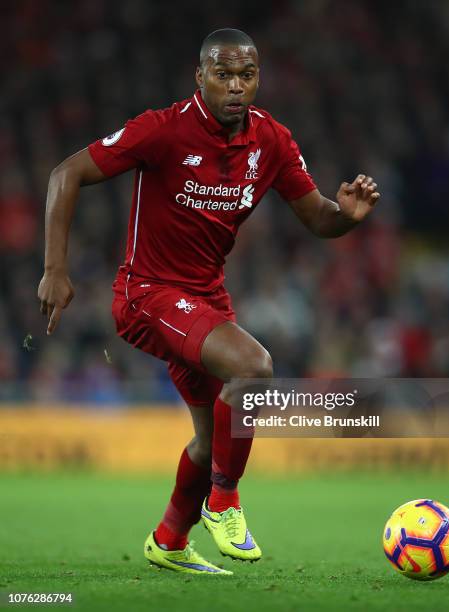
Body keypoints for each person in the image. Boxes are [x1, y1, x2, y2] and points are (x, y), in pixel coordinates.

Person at [38, 28, 380, 576]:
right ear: (200, 77)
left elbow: (317, 217)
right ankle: (223, 500)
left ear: (258, 78)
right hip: (146, 293)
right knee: (254, 367)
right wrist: (56, 268)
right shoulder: (162, 130)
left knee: (208, 439)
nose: (236, 86)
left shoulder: (271, 140)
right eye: (223, 75)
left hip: (205, 301)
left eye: (246, 75)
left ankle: (170, 539)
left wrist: (345, 217)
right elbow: (65, 172)